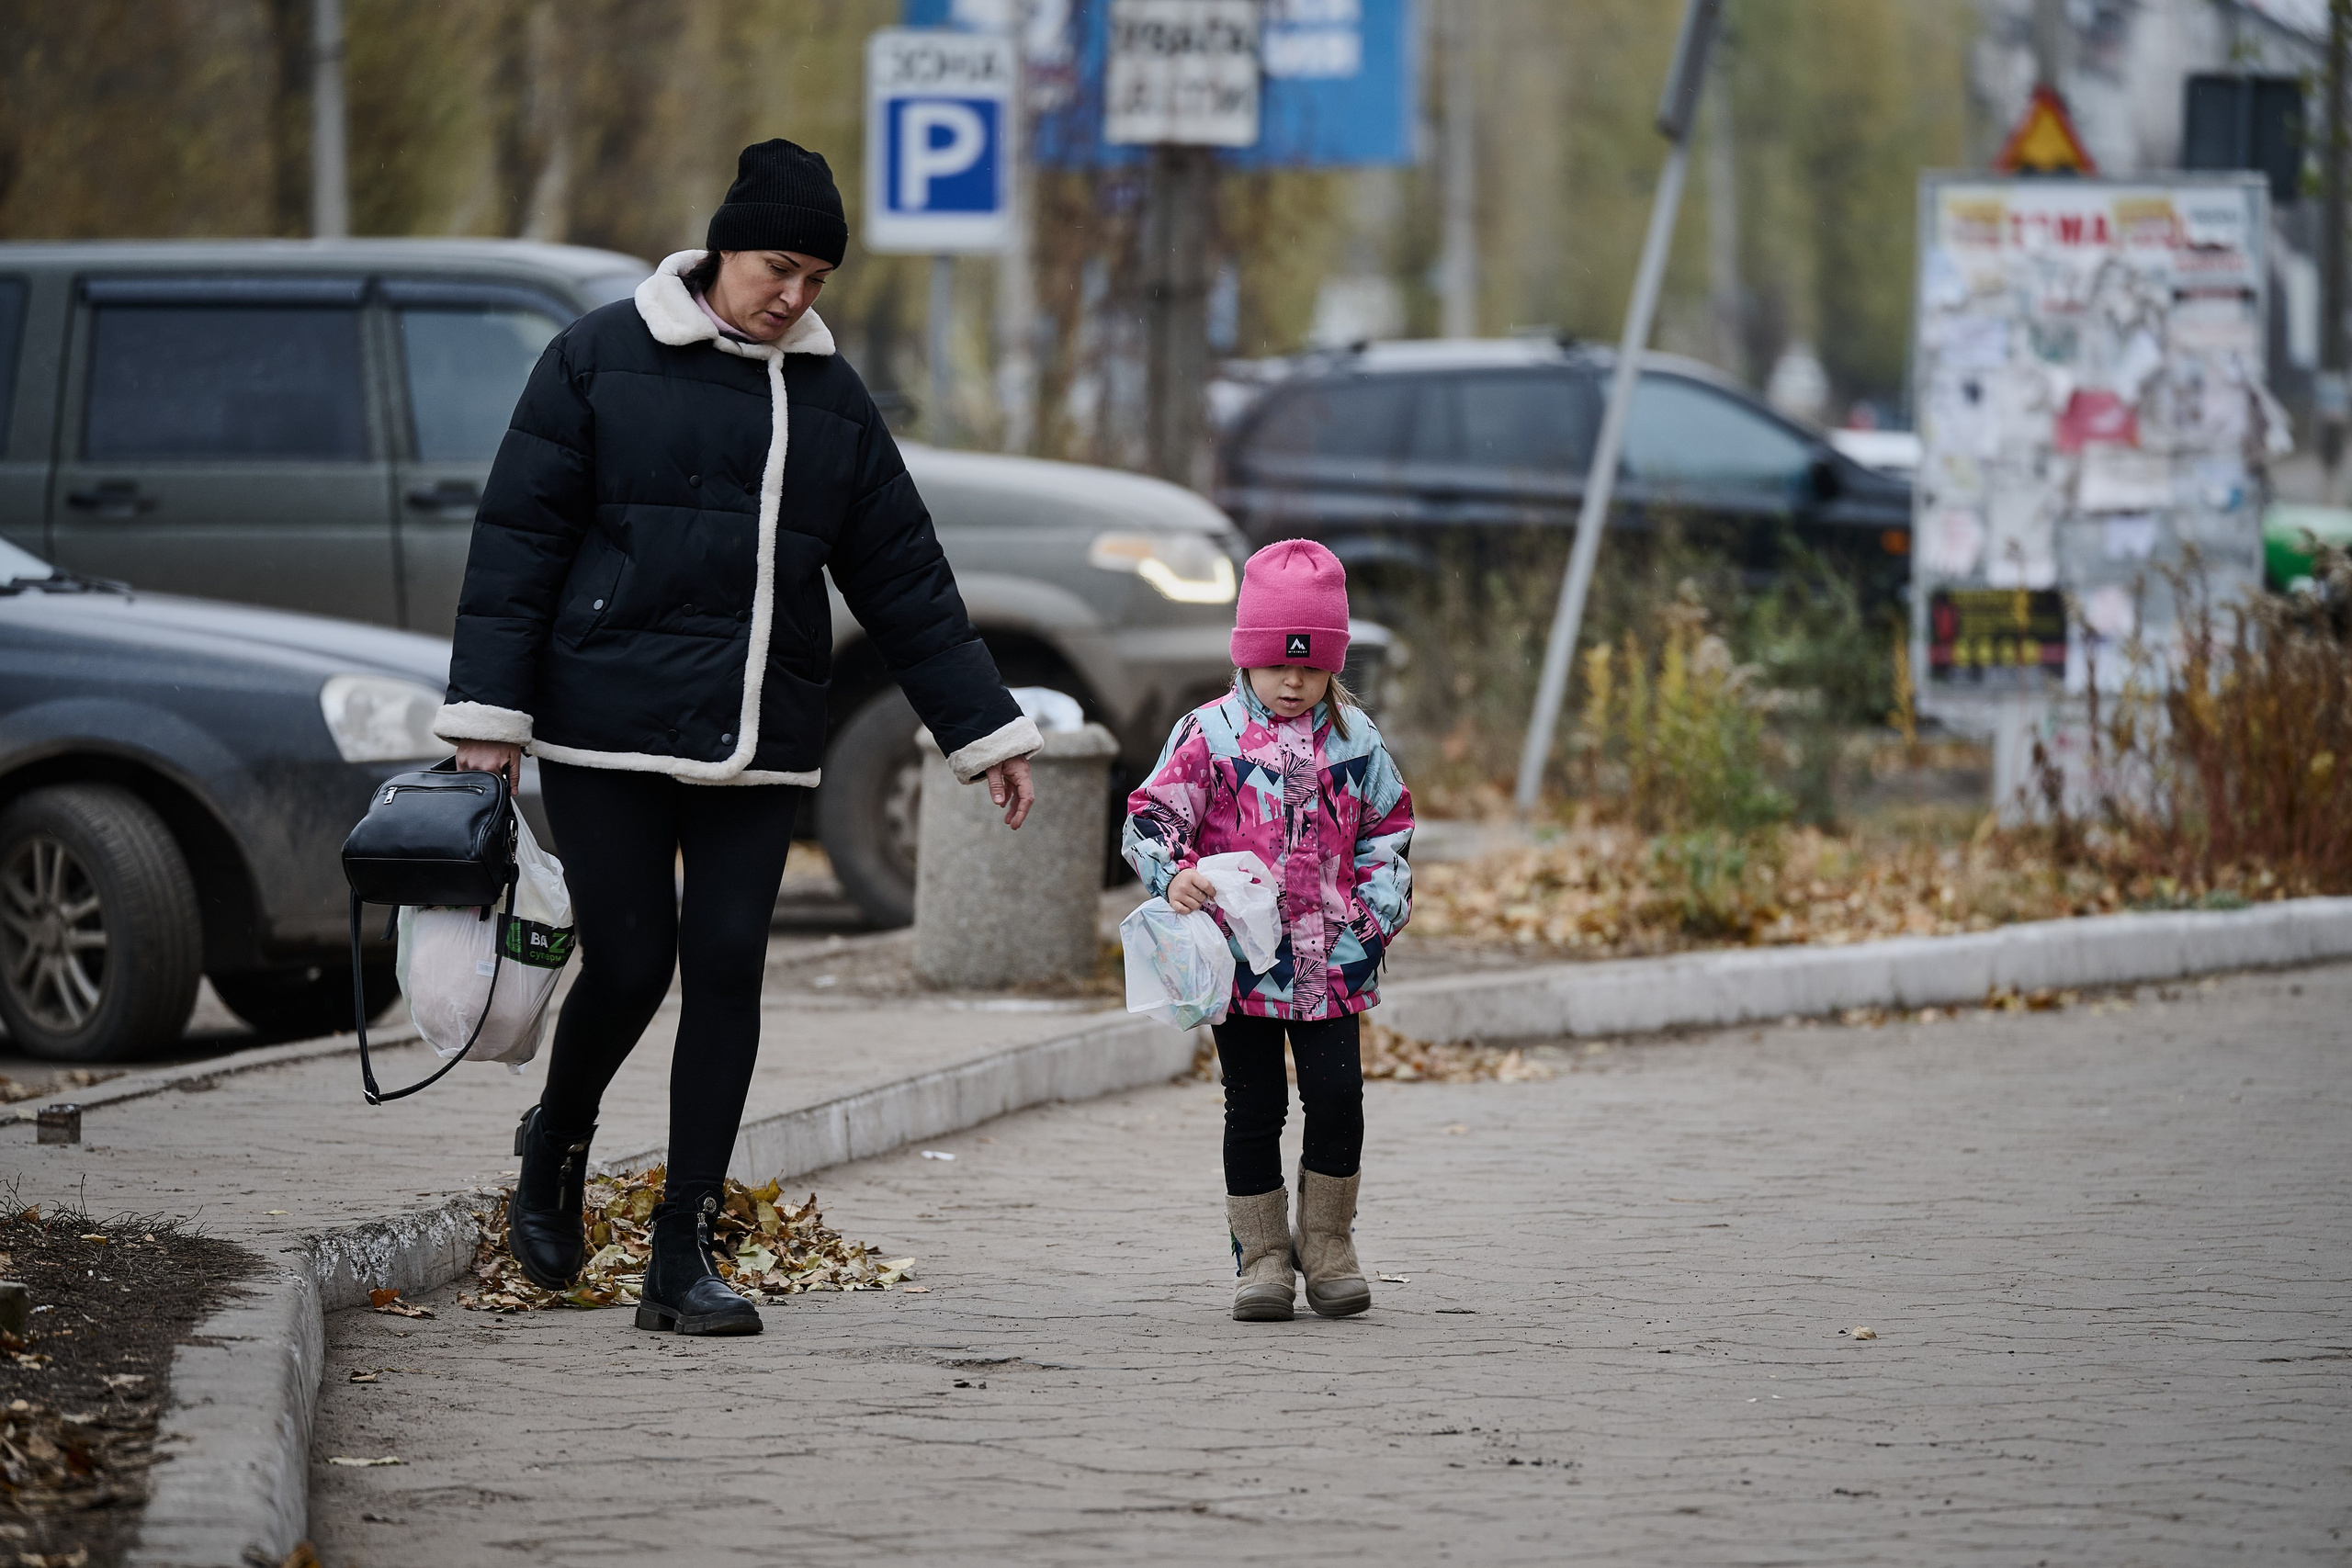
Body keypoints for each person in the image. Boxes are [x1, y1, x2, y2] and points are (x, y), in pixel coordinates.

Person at [434, 139, 1042, 1337]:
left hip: (760, 733)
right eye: (780, 266)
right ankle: (557, 1137)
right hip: (606, 723)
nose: (796, 296)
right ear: (724, 248)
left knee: (725, 965)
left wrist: (984, 729)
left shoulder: (830, 398)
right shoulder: (597, 357)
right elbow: (516, 545)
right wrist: (490, 720)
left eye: (818, 276)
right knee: (632, 959)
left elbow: (906, 577)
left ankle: (682, 1252)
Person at [1121, 540, 1414, 1322]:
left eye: (1312, 667)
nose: (1293, 681)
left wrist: (1374, 920)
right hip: (1240, 969)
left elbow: (1389, 831)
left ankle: (1329, 1247)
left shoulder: (1358, 742)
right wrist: (1171, 873)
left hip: (1335, 962)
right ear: (1246, 656)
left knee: (1337, 1094)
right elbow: (1152, 816)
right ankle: (1262, 1259)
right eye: (1278, 664)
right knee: (1252, 1106)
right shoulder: (1208, 736)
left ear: (1333, 667)